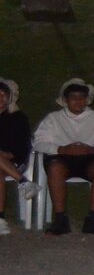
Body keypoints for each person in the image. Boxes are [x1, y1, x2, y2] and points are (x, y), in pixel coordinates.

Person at [33, 79, 94, 235]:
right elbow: (38, 143)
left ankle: (93, 219)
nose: (78, 101)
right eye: (73, 98)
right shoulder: (53, 118)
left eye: (82, 97)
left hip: (88, 158)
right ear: (65, 100)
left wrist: (92, 149)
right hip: (61, 157)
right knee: (55, 167)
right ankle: (60, 219)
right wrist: (61, 149)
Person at [0, 78, 38, 235]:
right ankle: (24, 182)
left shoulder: (18, 118)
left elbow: (22, 147)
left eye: (3, 94)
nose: (0, 97)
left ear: (9, 97)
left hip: (14, 161)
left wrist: (6, 154)